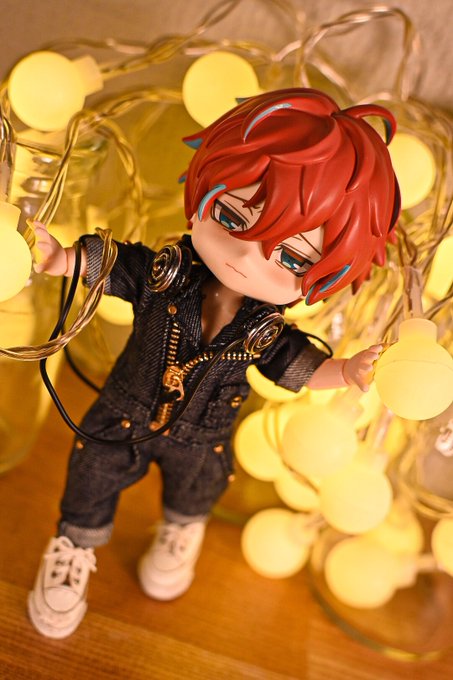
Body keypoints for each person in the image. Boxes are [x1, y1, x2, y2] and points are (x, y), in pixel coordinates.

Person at [27, 88, 400, 638]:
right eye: (231, 218)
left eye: (291, 257)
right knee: (91, 476)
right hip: (124, 410)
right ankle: (73, 547)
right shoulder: (165, 273)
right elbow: (117, 265)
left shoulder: (266, 330)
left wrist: (345, 372)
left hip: (204, 436)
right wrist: (63, 258)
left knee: (196, 492)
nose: (247, 256)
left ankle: (180, 532)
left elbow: (292, 364)